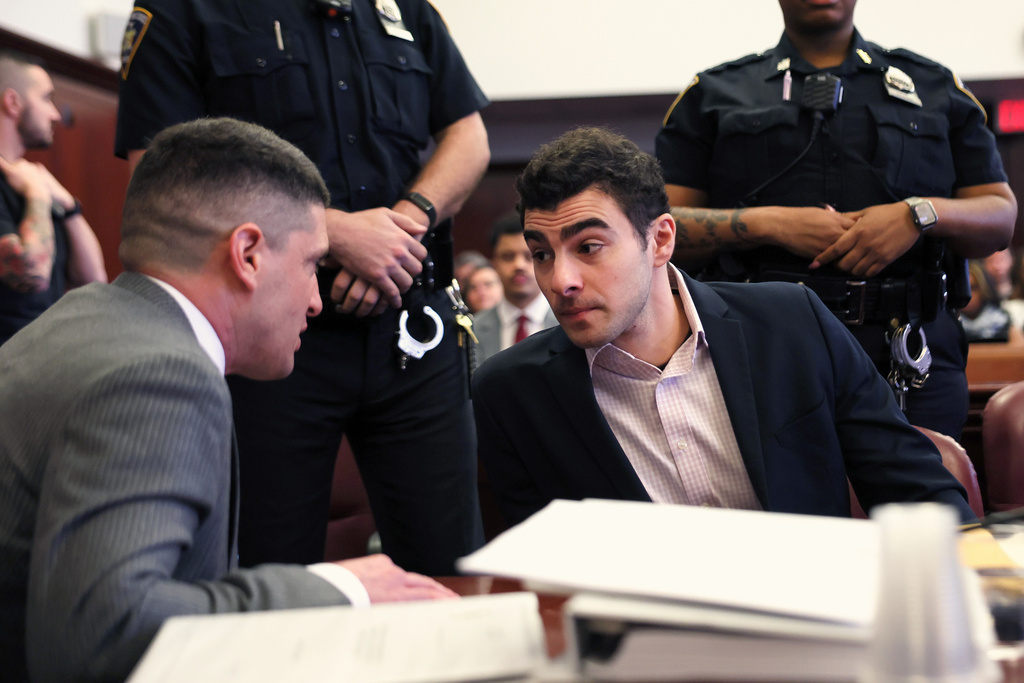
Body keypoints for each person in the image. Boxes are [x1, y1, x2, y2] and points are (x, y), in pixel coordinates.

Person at [0, 118, 457, 683]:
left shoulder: (80, 321)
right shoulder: (159, 374)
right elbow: (104, 635)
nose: (316, 302)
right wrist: (342, 588)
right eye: (312, 265)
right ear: (248, 254)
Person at [116, 0, 491, 575]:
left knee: (451, 561)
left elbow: (469, 137)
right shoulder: (183, 10)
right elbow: (161, 174)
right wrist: (335, 232)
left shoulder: (407, 9)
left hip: (412, 323)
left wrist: (399, 232)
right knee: (269, 561)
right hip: (269, 335)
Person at [472, 127, 973, 529]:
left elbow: (920, 496)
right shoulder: (511, 391)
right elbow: (540, 569)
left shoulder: (792, 324)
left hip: (812, 611)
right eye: (542, 253)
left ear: (660, 240)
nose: (560, 280)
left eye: (589, 247)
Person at [655, 0, 1018, 440]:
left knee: (928, 482)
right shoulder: (713, 93)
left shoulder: (933, 86)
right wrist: (768, 224)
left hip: (908, 354)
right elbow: (656, 229)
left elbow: (1000, 215)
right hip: (760, 353)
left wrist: (917, 215)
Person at [0, 50, 106, 345]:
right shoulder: (32, 188)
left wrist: (69, 207)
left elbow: (93, 280)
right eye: (46, 98)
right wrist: (37, 194)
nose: (56, 114)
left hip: (40, 358)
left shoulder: (33, 182)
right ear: (12, 102)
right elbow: (31, 274)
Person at [473, 212, 558, 364]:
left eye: (529, 256)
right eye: (508, 256)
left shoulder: (568, 323)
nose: (519, 265)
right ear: (494, 264)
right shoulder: (474, 330)